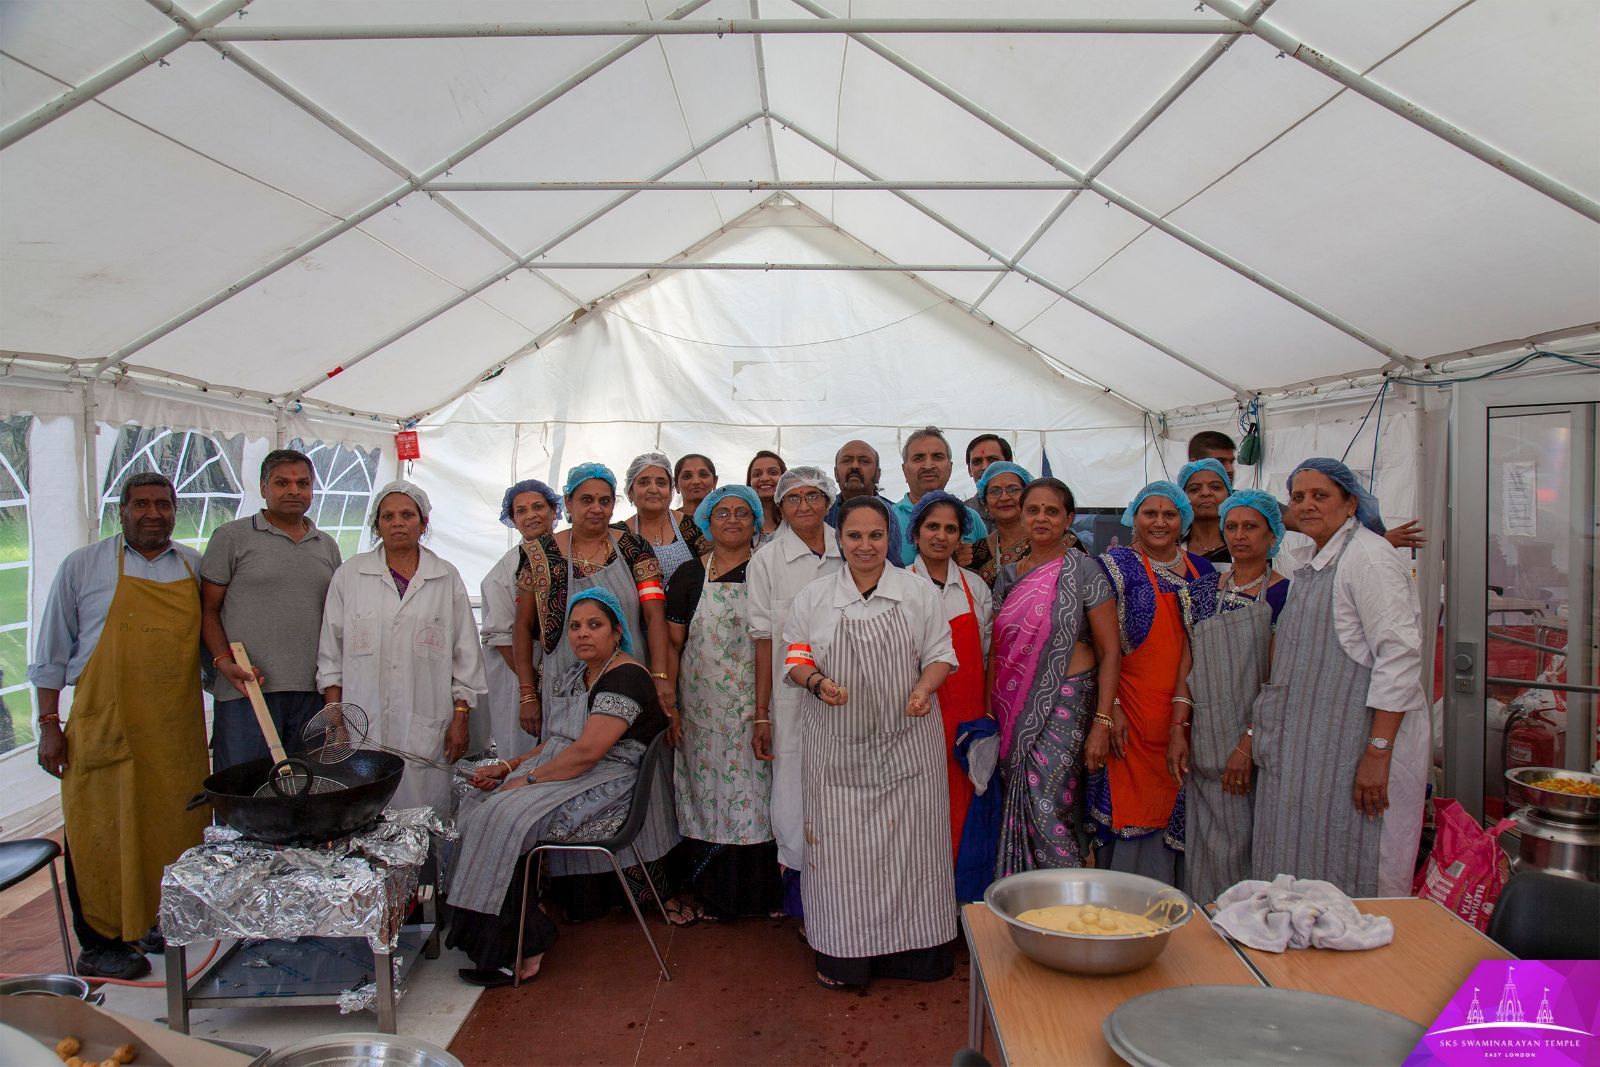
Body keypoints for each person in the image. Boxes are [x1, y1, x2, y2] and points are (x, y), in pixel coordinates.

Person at [29, 473, 208, 979]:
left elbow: (210, 648)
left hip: (173, 730)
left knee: (170, 827)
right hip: (103, 725)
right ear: (121, 511)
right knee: (99, 832)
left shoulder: (194, 567)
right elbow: (50, 655)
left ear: (176, 510)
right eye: (141, 504)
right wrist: (48, 724)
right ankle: (100, 941)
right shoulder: (83, 567)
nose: (153, 513)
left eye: (163, 504)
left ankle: (153, 918)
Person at [446, 589, 668, 986]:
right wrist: (506, 767)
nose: (583, 634)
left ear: (617, 632)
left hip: (609, 784)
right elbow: (557, 740)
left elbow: (587, 751)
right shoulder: (578, 674)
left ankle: (523, 944)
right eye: (575, 627)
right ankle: (506, 932)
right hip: (570, 768)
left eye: (595, 625)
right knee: (477, 801)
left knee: (503, 816)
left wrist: (526, 780)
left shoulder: (627, 677)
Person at [783, 496, 958, 990]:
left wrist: (924, 689)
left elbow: (940, 654)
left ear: (890, 539)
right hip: (837, 755)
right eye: (855, 536)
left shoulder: (918, 593)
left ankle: (918, 947)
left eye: (876, 536)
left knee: (915, 853)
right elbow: (796, 657)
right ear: (839, 539)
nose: (866, 545)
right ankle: (845, 951)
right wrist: (818, 683)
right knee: (842, 859)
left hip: (909, 750)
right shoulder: (813, 599)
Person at [1252, 459, 1429, 898]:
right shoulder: (1316, 559)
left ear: (1351, 503)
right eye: (1298, 497)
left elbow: (1400, 658)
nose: (1308, 505)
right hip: (1318, 752)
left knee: (1360, 873)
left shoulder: (1369, 560)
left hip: (1359, 750)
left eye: (1320, 495)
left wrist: (1378, 753)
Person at [511, 463, 680, 909]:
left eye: (605, 500)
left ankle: (643, 890)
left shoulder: (633, 547)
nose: (597, 508)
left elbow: (654, 615)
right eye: (586, 499)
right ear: (566, 504)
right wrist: (528, 693)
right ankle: (579, 895)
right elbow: (521, 627)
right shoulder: (538, 553)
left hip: (624, 681)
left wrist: (660, 677)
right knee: (568, 765)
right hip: (563, 685)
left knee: (633, 776)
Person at [317, 481, 486, 814]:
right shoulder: (350, 575)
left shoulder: (444, 577)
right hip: (362, 726)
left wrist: (461, 718)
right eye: (388, 516)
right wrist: (336, 723)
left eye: (408, 515)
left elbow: (466, 655)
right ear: (377, 525)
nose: (398, 523)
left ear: (423, 525)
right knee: (366, 820)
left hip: (426, 726)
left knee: (424, 824)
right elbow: (330, 656)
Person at [1087, 481, 1217, 886]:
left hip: (1188, 713)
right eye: (1150, 513)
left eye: (1170, 514)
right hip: (1129, 714)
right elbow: (1093, 643)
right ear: (1133, 519)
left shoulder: (1204, 571)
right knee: (1131, 809)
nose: (1160, 522)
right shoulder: (1113, 565)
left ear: (1184, 520)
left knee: (1180, 807)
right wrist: (1111, 712)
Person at [989, 478, 1119, 878]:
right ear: (1022, 516)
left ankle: (1068, 904)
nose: (1041, 518)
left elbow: (1110, 649)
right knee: (1021, 802)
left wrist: (1102, 721)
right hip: (1012, 712)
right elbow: (998, 651)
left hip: (1066, 704)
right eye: (1034, 510)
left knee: (1051, 807)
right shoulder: (1008, 576)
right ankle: (1026, 903)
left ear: (1069, 519)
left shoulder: (1085, 570)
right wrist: (989, 717)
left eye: (1052, 511)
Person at [1166, 489, 1290, 904]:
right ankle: (1207, 940)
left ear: (1272, 535)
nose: (1240, 536)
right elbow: (1188, 665)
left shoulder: (1284, 596)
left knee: (1248, 847)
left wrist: (1249, 741)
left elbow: (1279, 680)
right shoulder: (1203, 591)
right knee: (1205, 847)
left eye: (1251, 527)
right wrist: (1179, 729)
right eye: (1232, 527)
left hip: (1256, 747)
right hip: (1204, 743)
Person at [664, 484, 780, 922]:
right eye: (722, 513)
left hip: (759, 707)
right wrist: (671, 703)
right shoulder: (690, 576)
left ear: (755, 521)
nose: (732, 520)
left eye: (742, 513)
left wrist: (764, 711)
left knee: (757, 796)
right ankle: (714, 897)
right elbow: (674, 645)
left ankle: (762, 895)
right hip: (703, 711)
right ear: (708, 523)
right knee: (708, 796)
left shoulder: (767, 573)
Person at [201, 449, 344, 770]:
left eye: (302, 483)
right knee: (244, 792)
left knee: (305, 790)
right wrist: (224, 663)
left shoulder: (327, 546)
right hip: (247, 690)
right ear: (263, 488)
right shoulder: (232, 538)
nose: (294, 490)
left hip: (312, 694)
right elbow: (208, 611)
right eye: (282, 482)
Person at [746, 466, 844, 916]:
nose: (804, 506)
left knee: (847, 788)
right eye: (793, 499)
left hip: (851, 693)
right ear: (779, 507)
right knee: (794, 791)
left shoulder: (851, 547)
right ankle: (804, 905)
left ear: (828, 501)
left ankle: (847, 893)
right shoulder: (766, 561)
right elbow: (764, 642)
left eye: (813, 496)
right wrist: (762, 712)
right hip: (792, 701)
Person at [907, 491, 993, 869]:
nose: (940, 536)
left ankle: (960, 901)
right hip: (914, 716)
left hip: (966, 723)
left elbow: (988, 658)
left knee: (963, 804)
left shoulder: (976, 589)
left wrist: (988, 719)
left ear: (961, 537)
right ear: (916, 533)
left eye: (950, 529)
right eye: (932, 527)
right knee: (918, 804)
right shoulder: (898, 586)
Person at [1188, 428, 1427, 552]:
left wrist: (1378, 541)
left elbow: (1315, 525)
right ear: (1194, 462)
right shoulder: (1172, 509)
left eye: (1231, 461)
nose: (1229, 469)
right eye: (1221, 461)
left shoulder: (1253, 504)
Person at [480, 479, 561, 758]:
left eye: (538, 507)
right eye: (521, 511)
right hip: (520, 672)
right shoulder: (503, 571)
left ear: (554, 511)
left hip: (567, 672)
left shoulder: (572, 554)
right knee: (525, 753)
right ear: (513, 520)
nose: (531, 515)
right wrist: (534, 688)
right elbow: (502, 637)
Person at [890, 427, 987, 567]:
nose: (928, 465)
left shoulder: (971, 518)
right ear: (905, 470)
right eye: (918, 458)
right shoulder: (887, 519)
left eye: (937, 457)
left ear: (950, 468)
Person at [616, 452, 697, 583]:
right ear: (630, 492)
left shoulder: (693, 526)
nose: (653, 489)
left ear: (671, 490)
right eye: (644, 483)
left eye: (661, 483)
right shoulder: (618, 534)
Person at [827, 439, 906, 566]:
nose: (854, 466)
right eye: (847, 460)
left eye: (864, 461)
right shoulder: (822, 513)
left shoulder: (893, 513)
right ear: (836, 473)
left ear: (878, 474)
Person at [1177, 458, 1233, 565]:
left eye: (1215, 487)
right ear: (1181, 499)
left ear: (1229, 494)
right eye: (1194, 489)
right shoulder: (1170, 548)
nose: (1206, 493)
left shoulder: (1244, 544)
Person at [962, 433, 1012, 526]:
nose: (985, 467)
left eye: (993, 460)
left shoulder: (1027, 509)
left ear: (1009, 464)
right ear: (969, 470)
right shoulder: (961, 514)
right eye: (977, 462)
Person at [673, 453, 717, 555]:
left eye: (703, 475)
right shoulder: (668, 523)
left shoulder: (729, 520)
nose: (696, 481)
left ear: (715, 481)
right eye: (687, 476)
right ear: (676, 485)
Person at [746, 451, 787, 544]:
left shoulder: (797, 520)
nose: (764, 478)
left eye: (773, 472)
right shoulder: (739, 522)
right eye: (756, 474)